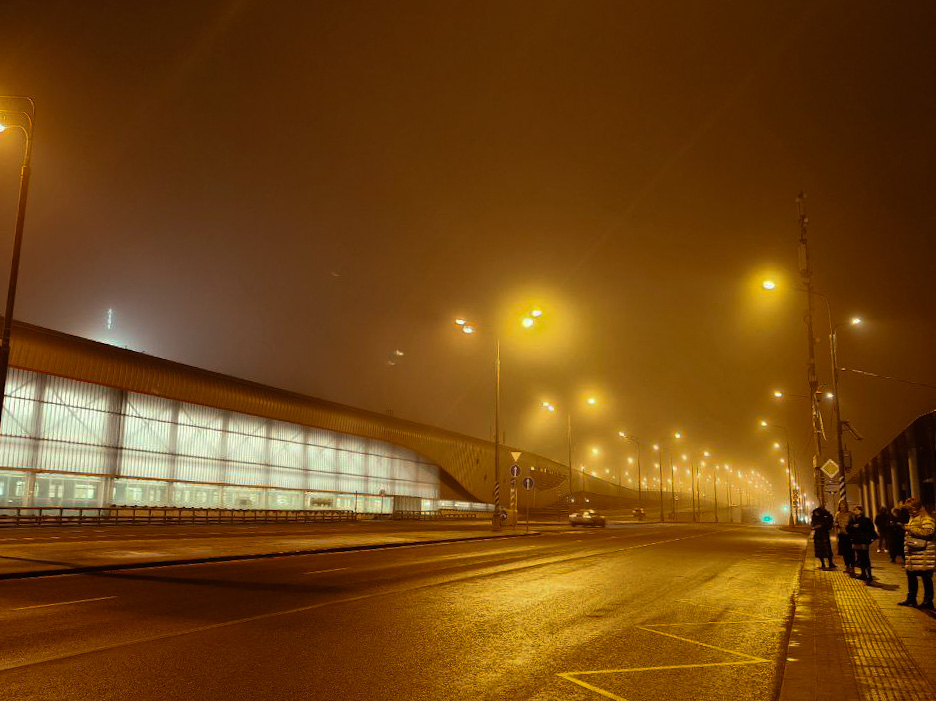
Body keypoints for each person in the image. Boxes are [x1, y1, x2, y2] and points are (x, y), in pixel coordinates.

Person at [897, 497, 935, 610]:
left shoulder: (926, 518)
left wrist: (910, 529)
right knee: (911, 575)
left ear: (916, 507)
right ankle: (911, 598)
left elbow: (929, 532)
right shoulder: (914, 517)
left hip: (924, 554)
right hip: (914, 554)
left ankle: (928, 601)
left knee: (926, 578)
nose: (909, 512)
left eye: (910, 509)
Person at [847, 504, 877, 583]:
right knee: (859, 557)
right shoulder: (853, 520)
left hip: (863, 540)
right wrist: (853, 527)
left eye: (858, 510)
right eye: (855, 510)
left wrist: (860, 526)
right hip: (856, 540)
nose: (856, 511)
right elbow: (848, 528)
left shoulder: (866, 520)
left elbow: (870, 528)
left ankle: (869, 575)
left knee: (865, 557)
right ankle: (863, 573)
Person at [834, 498, 856, 574]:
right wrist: (837, 525)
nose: (842, 506)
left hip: (849, 535)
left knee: (851, 552)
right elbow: (835, 522)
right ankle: (847, 566)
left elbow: (854, 523)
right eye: (841, 505)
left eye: (843, 505)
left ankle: (852, 566)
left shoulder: (850, 514)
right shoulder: (838, 514)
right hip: (842, 535)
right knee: (844, 552)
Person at [810, 504, 835, 569]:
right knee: (820, 550)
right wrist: (815, 527)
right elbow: (813, 524)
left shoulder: (825, 516)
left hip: (824, 535)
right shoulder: (815, 517)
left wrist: (821, 525)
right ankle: (823, 563)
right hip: (818, 535)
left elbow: (829, 523)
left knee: (827, 549)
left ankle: (830, 563)